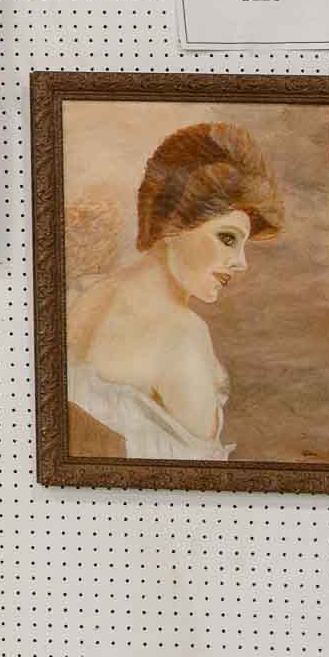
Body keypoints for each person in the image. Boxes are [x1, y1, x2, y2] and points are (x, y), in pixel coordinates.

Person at [65, 122, 284, 462]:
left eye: (243, 244)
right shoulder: (182, 335)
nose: (241, 263)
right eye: (227, 238)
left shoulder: (79, 292)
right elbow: (201, 481)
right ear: (173, 225)